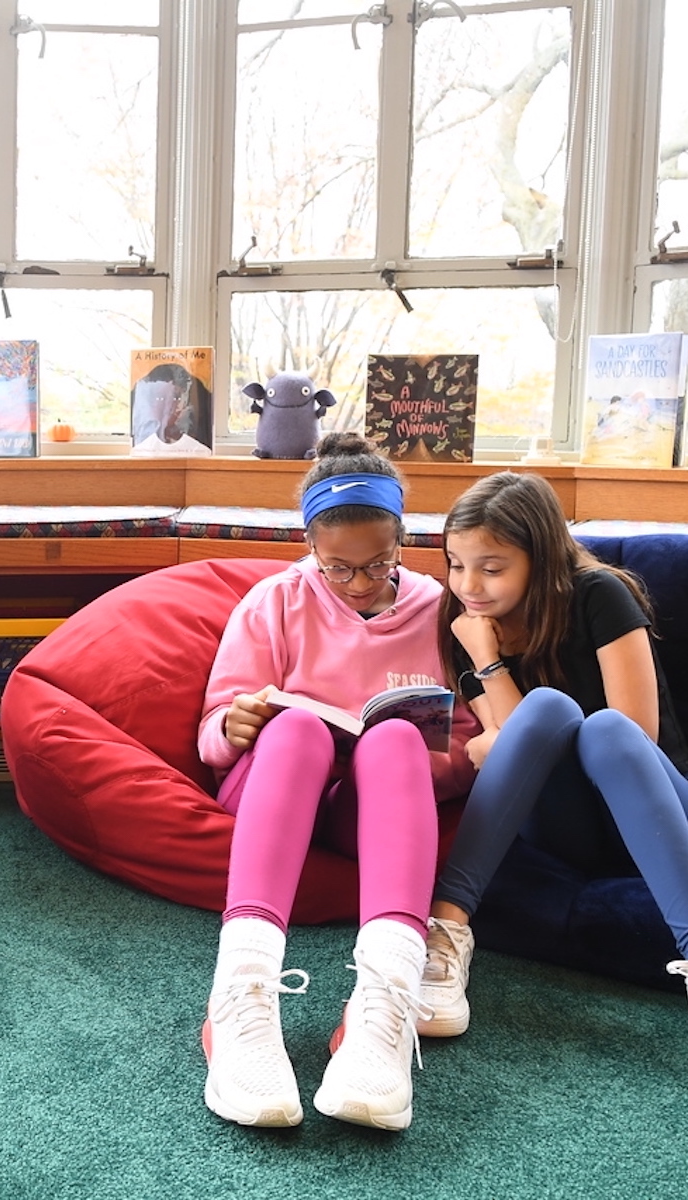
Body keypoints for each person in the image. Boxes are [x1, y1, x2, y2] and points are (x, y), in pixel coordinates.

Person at [420, 471, 688, 1112]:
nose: (468, 586)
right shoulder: (465, 627)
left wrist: (500, 734)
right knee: (544, 712)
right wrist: (486, 660)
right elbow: (513, 738)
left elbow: (637, 736)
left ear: (541, 560)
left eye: (491, 568)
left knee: (604, 730)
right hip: (562, 826)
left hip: (659, 811)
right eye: (456, 565)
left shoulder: (599, 596)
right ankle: (448, 932)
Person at [196, 433, 478, 1131]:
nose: (358, 582)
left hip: (379, 810)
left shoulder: (442, 611)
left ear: (404, 541)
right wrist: (233, 726)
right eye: (338, 568)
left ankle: (381, 1007)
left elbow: (472, 738)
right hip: (279, 790)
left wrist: (418, 754)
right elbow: (212, 726)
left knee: (394, 738)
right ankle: (240, 997)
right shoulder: (275, 601)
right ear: (311, 550)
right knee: (295, 729)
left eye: (378, 564)